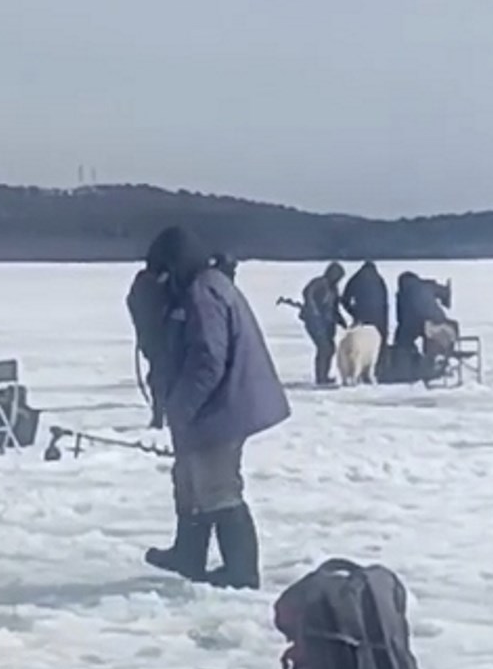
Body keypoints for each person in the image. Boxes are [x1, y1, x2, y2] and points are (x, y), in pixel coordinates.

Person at [142, 226, 291, 589]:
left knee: (218, 487)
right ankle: (188, 553)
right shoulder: (204, 286)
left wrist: (181, 408)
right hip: (219, 402)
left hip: (224, 405)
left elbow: (208, 360)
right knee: (190, 480)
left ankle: (241, 571)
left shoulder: (203, 293)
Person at [126, 264, 172, 429]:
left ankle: (161, 414)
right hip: (160, 338)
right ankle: (161, 414)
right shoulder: (151, 282)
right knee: (162, 376)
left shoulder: (145, 281)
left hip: (157, 337)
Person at [299, 262, 347, 386]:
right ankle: (321, 377)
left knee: (330, 348)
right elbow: (307, 292)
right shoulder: (319, 283)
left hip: (327, 324)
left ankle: (324, 375)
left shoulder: (333, 289)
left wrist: (341, 321)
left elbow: (334, 308)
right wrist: (313, 309)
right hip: (315, 322)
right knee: (324, 348)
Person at [340, 261, 389, 344]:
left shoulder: (355, 279)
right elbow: (384, 305)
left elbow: (345, 299)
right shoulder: (379, 280)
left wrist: (353, 312)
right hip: (378, 319)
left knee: (359, 344)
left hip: (361, 318)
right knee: (377, 344)